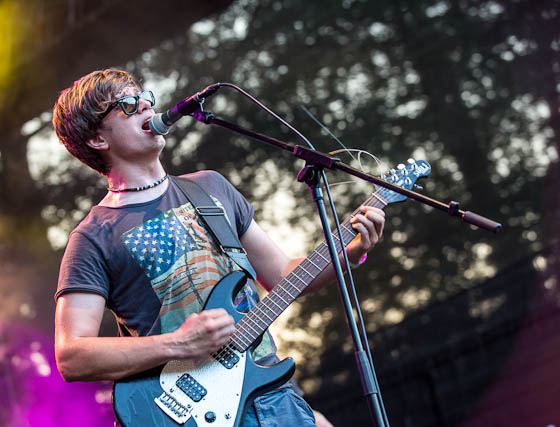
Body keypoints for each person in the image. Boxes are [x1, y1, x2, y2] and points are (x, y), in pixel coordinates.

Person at [52, 69, 385, 426]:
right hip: (187, 414)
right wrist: (179, 344)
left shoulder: (210, 187)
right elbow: (72, 355)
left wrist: (349, 253)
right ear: (98, 139)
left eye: (145, 96)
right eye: (128, 104)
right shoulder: (93, 237)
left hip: (272, 396)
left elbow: (283, 276)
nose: (147, 104)